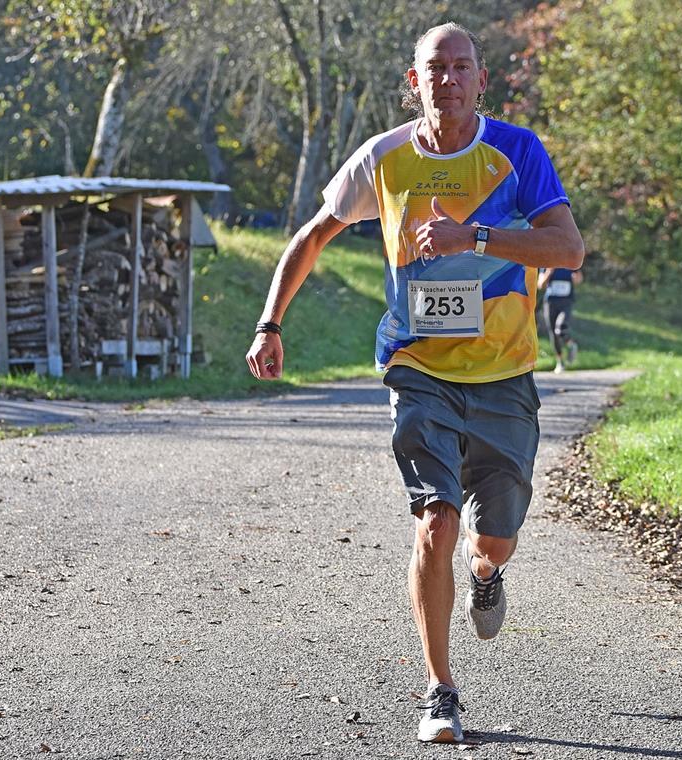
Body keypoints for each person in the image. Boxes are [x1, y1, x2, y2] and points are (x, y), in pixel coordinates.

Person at [245, 22, 583, 744]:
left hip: (505, 372)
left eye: (463, 68)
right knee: (436, 517)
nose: (449, 80)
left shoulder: (518, 152)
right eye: (436, 68)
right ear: (414, 80)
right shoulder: (384, 157)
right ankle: (440, 691)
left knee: (494, 538)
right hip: (417, 366)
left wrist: (477, 238)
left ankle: (486, 574)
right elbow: (311, 236)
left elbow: (568, 248)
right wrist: (269, 323)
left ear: (481, 80)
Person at [538, 266, 583, 372]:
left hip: (566, 302)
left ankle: (571, 344)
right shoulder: (546, 265)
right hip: (550, 303)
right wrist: (549, 272)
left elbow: (579, 280)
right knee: (553, 333)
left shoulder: (569, 263)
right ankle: (560, 362)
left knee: (560, 328)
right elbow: (540, 285)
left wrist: (575, 277)